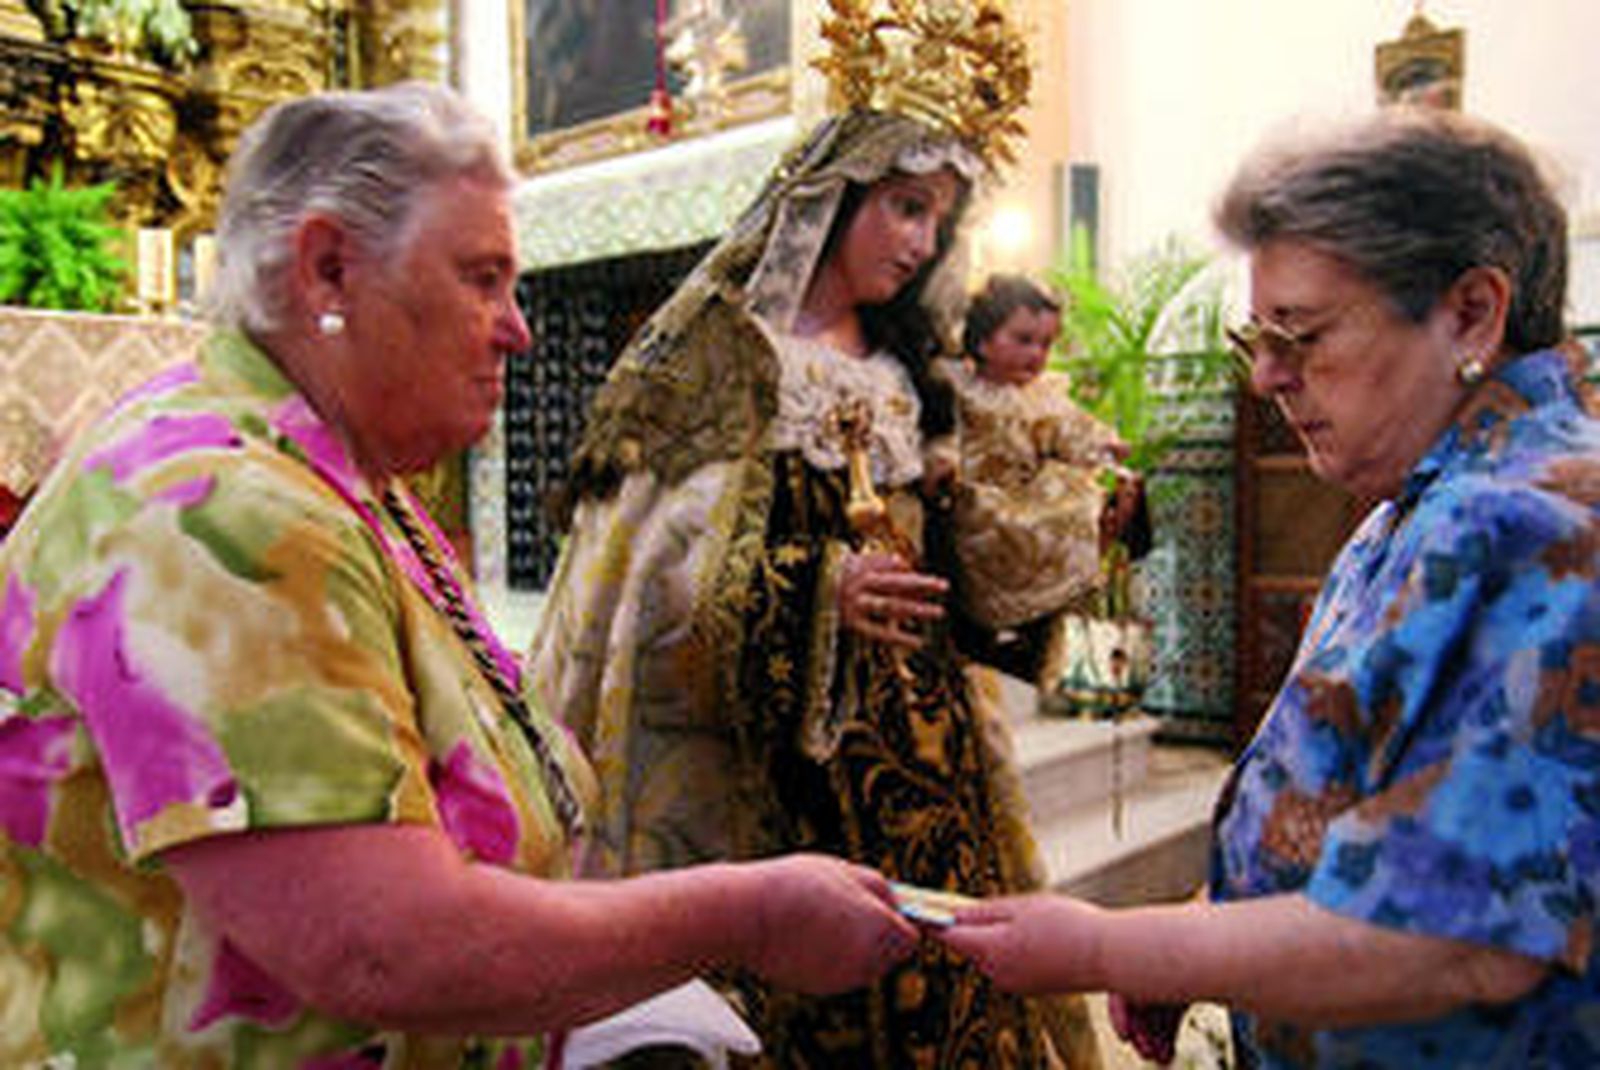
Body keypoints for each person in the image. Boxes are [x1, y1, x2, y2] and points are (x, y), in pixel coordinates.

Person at [0, 83, 922, 1068]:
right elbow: (378, 946)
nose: (517, 329)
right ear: (329, 269)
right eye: (483, 279)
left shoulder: (343, 477)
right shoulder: (220, 508)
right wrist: (744, 915)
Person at [937, 107, 1600, 1067]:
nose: (1266, 379)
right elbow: (1343, 801)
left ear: (1470, 313)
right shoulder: (1421, 501)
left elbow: (1457, 941)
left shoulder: (1551, 524)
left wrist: (1110, 946)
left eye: (1301, 335)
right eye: (1259, 337)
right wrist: (1205, 928)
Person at [529, 107, 1100, 1067]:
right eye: (905, 206)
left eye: (939, 218)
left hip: (927, 747)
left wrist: (1072, 526)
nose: (921, 240)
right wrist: (818, 593)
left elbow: (958, 553)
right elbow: (647, 571)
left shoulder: (910, 370)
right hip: (769, 763)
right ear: (833, 198)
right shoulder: (723, 359)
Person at [941, 273, 1146, 688]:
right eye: (1023, 340)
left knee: (1079, 490)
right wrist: (941, 463)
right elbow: (942, 435)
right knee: (1045, 505)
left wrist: (1103, 445)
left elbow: (1072, 432)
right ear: (982, 341)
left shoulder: (1043, 397)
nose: (1037, 354)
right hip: (980, 501)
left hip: (1027, 499)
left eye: (1046, 344)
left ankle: (1066, 642)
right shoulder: (958, 390)